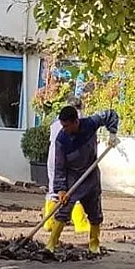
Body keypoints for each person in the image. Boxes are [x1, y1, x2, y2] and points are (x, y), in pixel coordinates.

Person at [47, 106, 119, 254]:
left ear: (75, 122)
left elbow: (110, 114)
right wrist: (61, 189)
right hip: (73, 177)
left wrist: (112, 133)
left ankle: (94, 244)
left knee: (95, 211)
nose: (64, 129)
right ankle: (51, 244)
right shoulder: (62, 140)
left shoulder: (90, 123)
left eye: (67, 126)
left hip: (90, 174)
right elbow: (59, 166)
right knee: (64, 208)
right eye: (62, 126)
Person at [44, 97, 90, 233]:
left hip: (53, 159)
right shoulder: (77, 120)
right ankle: (80, 223)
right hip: (67, 159)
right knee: (75, 189)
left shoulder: (55, 123)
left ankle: (49, 222)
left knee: (54, 189)